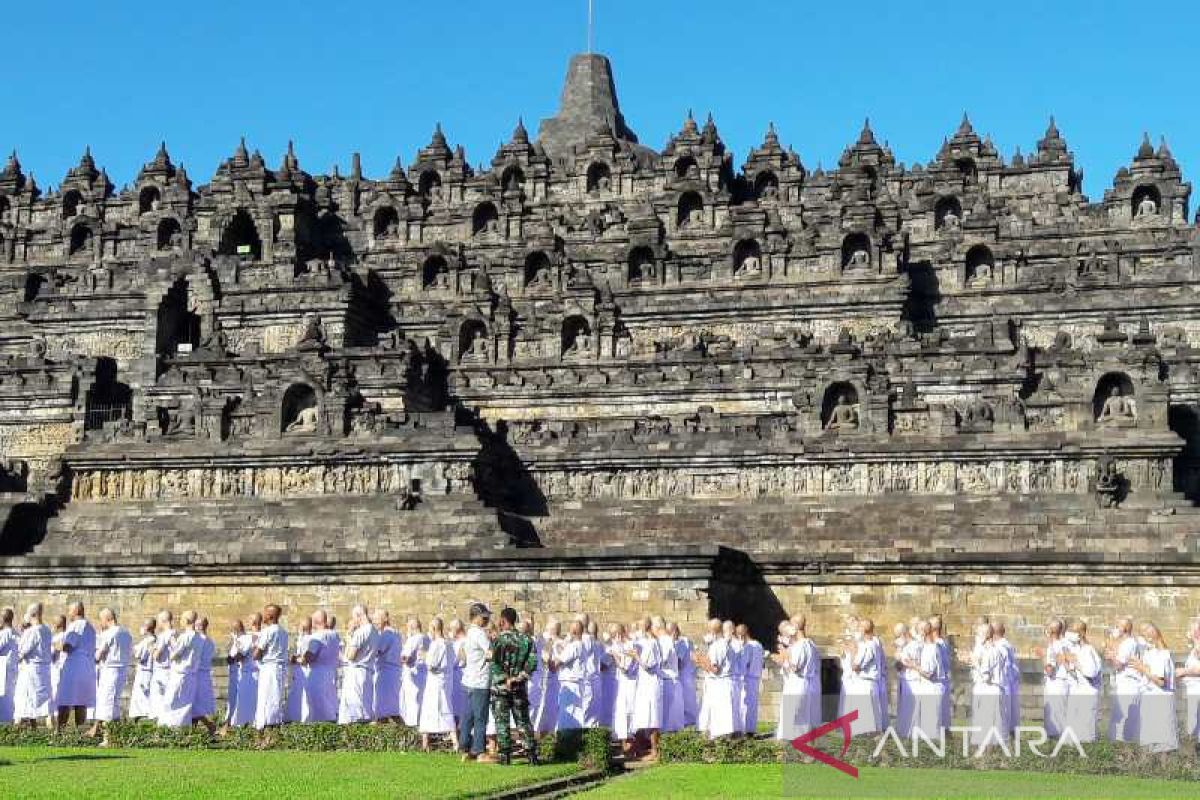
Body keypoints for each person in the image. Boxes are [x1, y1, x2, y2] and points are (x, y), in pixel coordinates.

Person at [489, 608, 539, 765]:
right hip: (519, 688)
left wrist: (505, 679)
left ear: (503, 621)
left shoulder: (498, 641)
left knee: (502, 721)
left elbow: (494, 664)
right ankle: (531, 755)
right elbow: (532, 663)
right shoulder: (527, 640)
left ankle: (505, 755)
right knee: (523, 721)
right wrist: (518, 678)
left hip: (501, 688)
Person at [773, 617, 821, 740]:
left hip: (798, 684)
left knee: (796, 718)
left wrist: (783, 657)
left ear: (794, 627)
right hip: (800, 683)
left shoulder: (802, 645)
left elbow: (794, 667)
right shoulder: (808, 644)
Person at [88, 608, 132, 741]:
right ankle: (108, 733)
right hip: (122, 670)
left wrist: (93, 656)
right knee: (113, 702)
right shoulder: (126, 633)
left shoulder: (110, 633)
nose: (100, 623)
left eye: (101, 620)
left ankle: (108, 738)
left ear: (107, 619)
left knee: (107, 702)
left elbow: (99, 655)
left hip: (110, 670)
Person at [1132, 622, 1177, 753]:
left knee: (1162, 743)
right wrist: (1142, 668)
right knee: (1150, 740)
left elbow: (1160, 681)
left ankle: (1164, 770)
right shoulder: (1150, 653)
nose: (1141, 635)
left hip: (1159, 699)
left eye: (1144, 631)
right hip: (1150, 698)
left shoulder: (1162, 654)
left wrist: (1143, 669)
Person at [459, 602, 494, 763]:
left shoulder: (469, 634)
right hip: (480, 680)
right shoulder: (479, 634)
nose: (486, 620)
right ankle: (479, 751)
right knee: (480, 717)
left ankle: (465, 748)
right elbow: (490, 652)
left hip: (468, 679)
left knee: (468, 716)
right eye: (484, 617)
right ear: (476, 617)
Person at [839, 618, 885, 736]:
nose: (858, 629)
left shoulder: (868, 646)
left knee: (865, 725)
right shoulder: (869, 644)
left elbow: (855, 666)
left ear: (864, 630)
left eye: (859, 627)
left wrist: (853, 651)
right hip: (865, 684)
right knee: (863, 723)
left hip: (865, 684)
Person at [418, 617, 456, 751]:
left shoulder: (437, 644)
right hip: (444, 681)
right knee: (442, 707)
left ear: (434, 629)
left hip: (436, 682)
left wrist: (424, 656)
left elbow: (432, 665)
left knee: (439, 708)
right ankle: (426, 742)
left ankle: (452, 741)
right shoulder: (449, 644)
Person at [1062, 621, 1102, 742]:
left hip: (1087, 693)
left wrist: (1074, 662)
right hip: (1077, 691)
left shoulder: (1088, 650)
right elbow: (1076, 674)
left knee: (1085, 731)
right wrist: (1066, 663)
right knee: (1072, 730)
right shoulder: (1077, 649)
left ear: (1082, 633)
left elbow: (1090, 673)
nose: (1070, 634)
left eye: (1074, 631)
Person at [253, 604, 288, 743]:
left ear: (271, 615)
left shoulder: (268, 632)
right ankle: (272, 733)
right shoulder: (283, 632)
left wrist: (255, 648)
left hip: (269, 668)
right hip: (279, 669)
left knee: (265, 700)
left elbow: (257, 654)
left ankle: (264, 735)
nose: (263, 616)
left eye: (265, 613)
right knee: (275, 699)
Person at [338, 604, 378, 724]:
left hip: (356, 673)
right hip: (367, 672)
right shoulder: (374, 631)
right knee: (364, 708)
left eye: (354, 617)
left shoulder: (361, 632)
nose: (354, 621)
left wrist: (348, 640)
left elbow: (351, 656)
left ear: (359, 616)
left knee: (353, 713)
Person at [697, 618, 736, 741]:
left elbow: (715, 669)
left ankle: (719, 740)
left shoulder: (717, 646)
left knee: (720, 714)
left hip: (719, 683)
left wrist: (700, 661)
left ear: (712, 631)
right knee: (721, 713)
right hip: (723, 683)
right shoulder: (724, 644)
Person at [969, 623, 1007, 747]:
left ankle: (988, 756)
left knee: (988, 727)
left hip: (989, 690)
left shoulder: (991, 651)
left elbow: (985, 677)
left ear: (985, 636)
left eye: (978, 633)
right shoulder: (989, 650)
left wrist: (975, 663)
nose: (976, 636)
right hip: (988, 690)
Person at [159, 610, 199, 729]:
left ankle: (171, 730)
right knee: (184, 705)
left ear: (186, 621)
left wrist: (172, 643)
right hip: (191, 675)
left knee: (171, 703)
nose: (180, 622)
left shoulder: (185, 637)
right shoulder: (199, 637)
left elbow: (174, 655)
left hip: (180, 674)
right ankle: (182, 730)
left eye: (181, 619)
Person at [631, 617, 663, 759]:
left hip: (650, 683)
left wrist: (636, 656)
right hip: (644, 684)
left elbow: (647, 665)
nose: (639, 630)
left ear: (646, 627)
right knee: (643, 716)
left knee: (652, 717)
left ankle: (655, 750)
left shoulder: (651, 643)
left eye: (640, 627)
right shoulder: (646, 642)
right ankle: (640, 748)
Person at [1108, 616, 1142, 742]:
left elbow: (1118, 664)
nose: (1116, 629)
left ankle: (1123, 748)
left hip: (1129, 684)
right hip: (1124, 683)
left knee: (1124, 718)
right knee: (1120, 716)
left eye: (1118, 626)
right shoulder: (1125, 644)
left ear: (1126, 628)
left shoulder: (1129, 644)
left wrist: (1111, 656)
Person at [909, 620, 945, 740]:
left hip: (931, 688)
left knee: (931, 729)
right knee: (923, 727)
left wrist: (913, 665)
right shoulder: (925, 648)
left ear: (924, 632)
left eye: (918, 631)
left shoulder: (931, 649)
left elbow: (928, 673)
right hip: (926, 688)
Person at [305, 610, 339, 722]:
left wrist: (297, 658)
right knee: (329, 699)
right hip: (330, 671)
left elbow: (310, 657)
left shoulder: (317, 636)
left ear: (315, 622)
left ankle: (322, 725)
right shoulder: (334, 634)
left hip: (317, 672)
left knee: (317, 702)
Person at [609, 623, 638, 752]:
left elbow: (625, 668)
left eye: (613, 635)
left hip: (629, 684)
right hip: (622, 684)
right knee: (620, 712)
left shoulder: (630, 646)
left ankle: (629, 745)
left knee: (628, 712)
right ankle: (624, 743)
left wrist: (615, 656)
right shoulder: (619, 646)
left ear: (619, 634)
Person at [554, 620, 587, 731]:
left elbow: (557, 663)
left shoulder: (573, 646)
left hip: (570, 684)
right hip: (576, 684)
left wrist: (547, 659)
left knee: (567, 718)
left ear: (573, 631)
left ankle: (567, 744)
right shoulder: (581, 645)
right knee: (574, 715)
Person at [1042, 619, 1071, 738]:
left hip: (1055, 682)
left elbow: (1049, 669)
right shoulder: (1065, 644)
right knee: (1062, 713)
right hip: (1063, 682)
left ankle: (1056, 740)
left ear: (1050, 631)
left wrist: (1043, 658)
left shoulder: (1053, 647)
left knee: (1054, 715)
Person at [655, 618, 684, 733]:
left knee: (670, 717)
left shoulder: (665, 641)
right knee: (668, 715)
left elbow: (663, 660)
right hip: (667, 680)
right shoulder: (663, 640)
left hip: (668, 680)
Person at [374, 610, 403, 723]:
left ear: (385, 619)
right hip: (393, 672)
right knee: (389, 709)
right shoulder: (396, 633)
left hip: (386, 673)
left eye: (377, 619)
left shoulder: (386, 634)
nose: (375, 622)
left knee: (385, 709)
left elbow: (378, 650)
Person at [892, 622, 920, 738]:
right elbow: (898, 664)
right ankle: (903, 732)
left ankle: (912, 733)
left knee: (910, 709)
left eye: (898, 636)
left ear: (903, 634)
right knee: (903, 709)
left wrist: (899, 651)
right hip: (903, 679)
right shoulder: (904, 646)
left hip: (913, 680)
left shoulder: (914, 645)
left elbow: (910, 663)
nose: (897, 639)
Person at [532, 620, 560, 735]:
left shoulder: (559, 643)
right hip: (540, 681)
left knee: (550, 713)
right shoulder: (538, 641)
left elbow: (554, 666)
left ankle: (546, 739)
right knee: (539, 711)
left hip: (553, 682)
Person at [192, 617, 217, 735]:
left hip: (197, 674)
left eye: (196, 625)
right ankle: (194, 728)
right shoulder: (210, 641)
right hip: (204, 675)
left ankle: (209, 725)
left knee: (194, 703)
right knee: (196, 703)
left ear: (200, 626)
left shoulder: (200, 640)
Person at [400, 619, 427, 727]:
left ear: (411, 628)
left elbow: (406, 657)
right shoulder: (426, 638)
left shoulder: (414, 639)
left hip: (412, 675)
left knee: (411, 702)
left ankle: (412, 726)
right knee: (420, 701)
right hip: (423, 674)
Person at [994, 622, 1020, 733]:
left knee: (1003, 713)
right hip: (1010, 682)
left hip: (1003, 682)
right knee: (1009, 712)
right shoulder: (1008, 645)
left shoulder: (1000, 646)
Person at [670, 622, 698, 728]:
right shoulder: (682, 642)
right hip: (684, 676)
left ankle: (687, 726)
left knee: (686, 703)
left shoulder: (683, 642)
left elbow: (678, 663)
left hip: (684, 676)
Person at [738, 624, 765, 735]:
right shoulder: (759, 645)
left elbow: (745, 664)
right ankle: (751, 730)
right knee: (753, 705)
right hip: (756, 678)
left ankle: (744, 730)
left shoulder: (748, 646)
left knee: (744, 705)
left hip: (747, 678)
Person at [285, 617, 313, 723]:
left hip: (304, 671)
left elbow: (304, 659)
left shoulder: (308, 639)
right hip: (298, 672)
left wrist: (294, 659)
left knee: (302, 696)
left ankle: (301, 718)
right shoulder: (302, 639)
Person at [128, 619, 157, 720]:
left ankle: (144, 721)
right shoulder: (151, 639)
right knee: (140, 700)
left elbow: (140, 656)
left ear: (147, 627)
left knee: (143, 701)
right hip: (146, 672)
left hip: (145, 673)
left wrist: (134, 651)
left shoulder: (149, 641)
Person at [151, 609, 175, 721]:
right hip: (171, 671)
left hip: (162, 672)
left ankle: (162, 727)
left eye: (159, 620)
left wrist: (151, 649)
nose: (158, 623)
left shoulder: (164, 635)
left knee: (160, 701)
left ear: (163, 620)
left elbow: (157, 656)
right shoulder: (176, 633)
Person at [930, 615, 953, 729]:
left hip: (937, 680)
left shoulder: (938, 643)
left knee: (938, 712)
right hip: (941, 680)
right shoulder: (941, 642)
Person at [1179, 621, 1200, 741]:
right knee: (1193, 723)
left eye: (1192, 630)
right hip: (1193, 690)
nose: (1189, 632)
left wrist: (1184, 671)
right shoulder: (1195, 649)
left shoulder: (1198, 647)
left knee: (1195, 722)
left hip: (1197, 690)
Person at [725, 620, 746, 734]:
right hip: (727, 678)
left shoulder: (737, 644)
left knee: (735, 705)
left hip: (735, 677)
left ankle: (736, 730)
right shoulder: (725, 642)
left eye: (727, 630)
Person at [0, 608, 18, 724]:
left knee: (4, 695)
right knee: (10, 694)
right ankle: (8, 719)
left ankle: (4, 721)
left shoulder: (4, 633)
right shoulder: (16, 633)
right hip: (13, 666)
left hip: (3, 665)